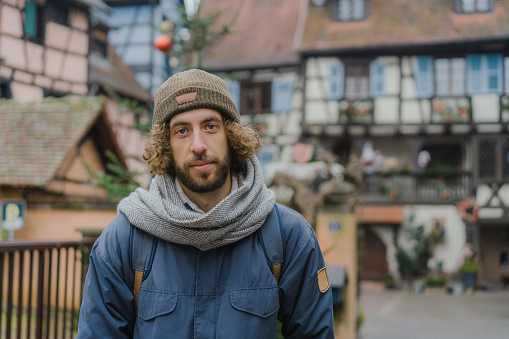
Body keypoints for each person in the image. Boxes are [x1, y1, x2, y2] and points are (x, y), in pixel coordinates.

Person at [77, 69, 334, 338]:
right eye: (182, 131)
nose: (198, 145)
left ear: (231, 136)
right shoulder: (124, 239)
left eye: (210, 126)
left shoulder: (287, 235)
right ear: (166, 145)